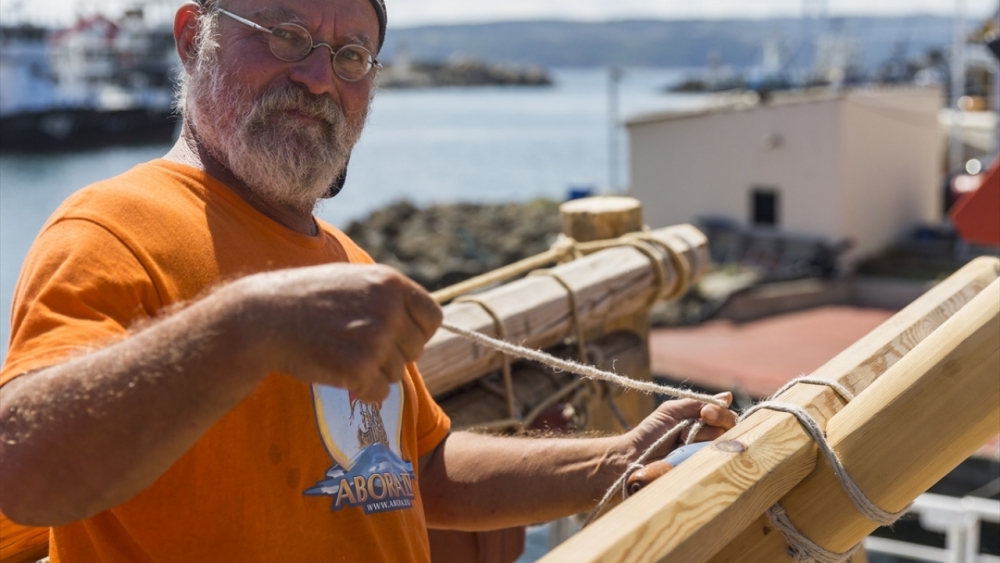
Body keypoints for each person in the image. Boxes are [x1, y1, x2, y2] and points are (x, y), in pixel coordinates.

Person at [0, 0, 737, 561]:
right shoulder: (110, 230)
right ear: (196, 37)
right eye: (287, 34)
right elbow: (20, 473)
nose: (319, 77)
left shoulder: (343, 259)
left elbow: (418, 467)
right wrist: (245, 329)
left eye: (352, 54)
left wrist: (614, 459)